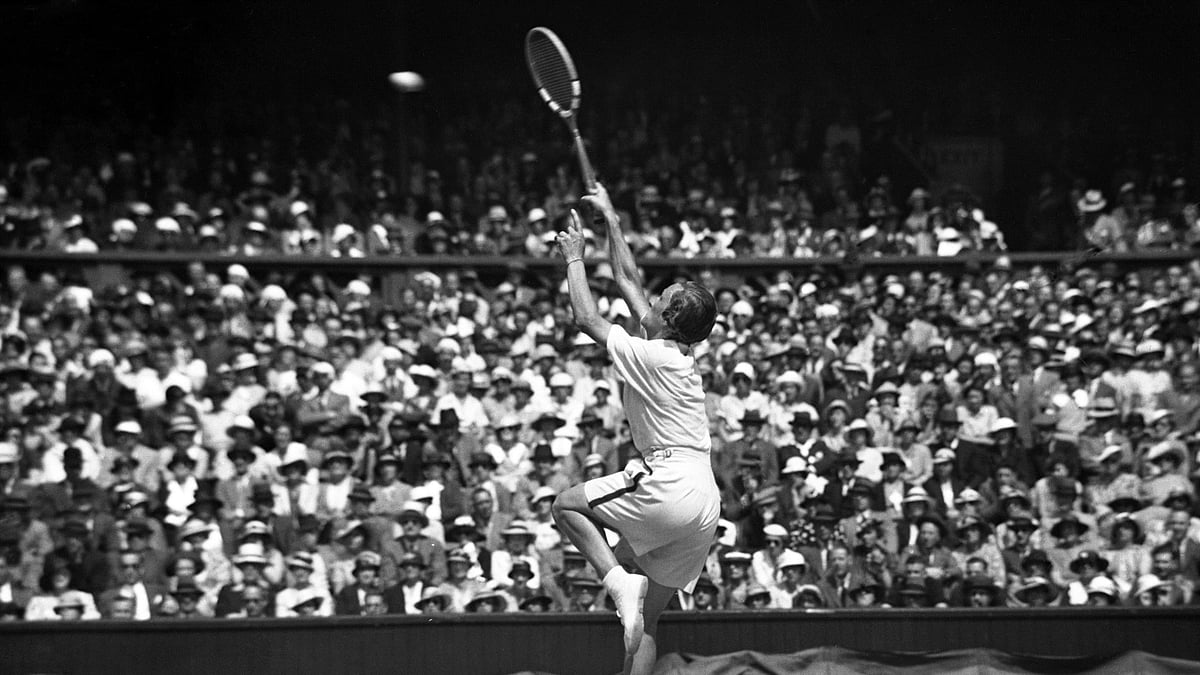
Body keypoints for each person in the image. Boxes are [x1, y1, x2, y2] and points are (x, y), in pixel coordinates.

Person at [551, 184, 719, 675]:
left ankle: (618, 582)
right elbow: (627, 278)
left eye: (663, 296)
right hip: (703, 502)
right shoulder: (673, 348)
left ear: (669, 316)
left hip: (669, 481)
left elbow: (586, 318)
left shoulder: (652, 355)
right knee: (647, 620)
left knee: (566, 506)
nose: (655, 294)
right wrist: (612, 220)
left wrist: (574, 258)